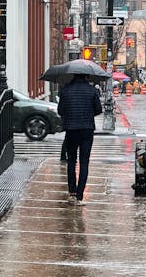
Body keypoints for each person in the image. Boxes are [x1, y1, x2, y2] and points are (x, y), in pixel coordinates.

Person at [57, 74, 102, 206]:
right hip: (87, 129)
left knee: (71, 161)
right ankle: (80, 194)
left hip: (71, 129)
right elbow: (98, 110)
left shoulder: (66, 90)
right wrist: (89, 111)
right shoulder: (92, 90)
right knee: (84, 162)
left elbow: (60, 110)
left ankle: (72, 192)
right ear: (86, 76)